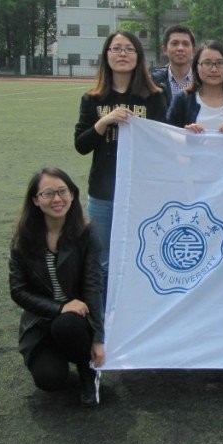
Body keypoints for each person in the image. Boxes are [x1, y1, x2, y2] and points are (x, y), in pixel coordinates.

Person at [74, 31, 166, 282]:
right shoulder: (93, 99)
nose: (122, 54)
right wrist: (104, 121)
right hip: (103, 193)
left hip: (142, 192)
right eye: (116, 48)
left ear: (138, 56)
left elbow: (163, 142)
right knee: (103, 261)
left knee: (142, 258)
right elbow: (81, 145)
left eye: (129, 49)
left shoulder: (155, 96)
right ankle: (104, 308)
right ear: (107, 55)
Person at [9, 168, 105, 407]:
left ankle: (88, 371)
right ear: (35, 200)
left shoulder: (86, 233)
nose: (57, 199)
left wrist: (98, 338)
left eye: (63, 191)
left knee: (67, 323)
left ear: (72, 194)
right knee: (49, 380)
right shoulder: (23, 238)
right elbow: (18, 291)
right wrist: (59, 307)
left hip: (76, 321)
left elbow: (93, 286)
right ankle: (61, 356)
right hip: (41, 321)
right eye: (48, 193)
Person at [166, 40, 223, 133]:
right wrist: (185, 134)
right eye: (207, 63)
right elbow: (166, 135)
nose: (214, 69)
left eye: (220, 63)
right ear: (196, 67)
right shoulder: (182, 100)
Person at [151, 25, 196, 108]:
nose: (180, 48)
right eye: (175, 43)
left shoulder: (202, 81)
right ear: (165, 49)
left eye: (185, 44)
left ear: (193, 51)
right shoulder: (153, 81)